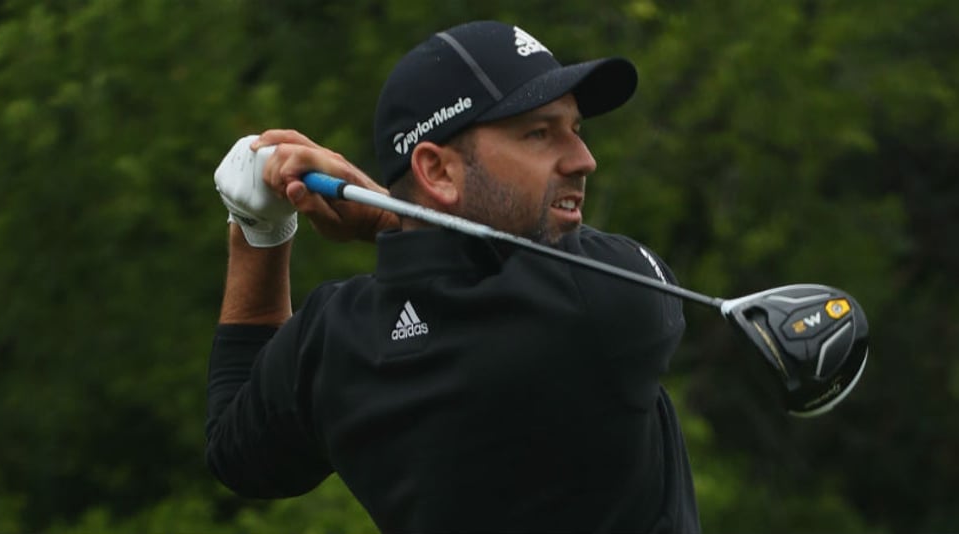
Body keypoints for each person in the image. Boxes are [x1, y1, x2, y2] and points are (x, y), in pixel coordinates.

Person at [206, 20, 701, 533]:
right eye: (539, 133)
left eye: (574, 130)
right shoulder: (599, 302)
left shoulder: (337, 340)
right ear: (437, 172)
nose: (583, 160)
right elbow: (630, 280)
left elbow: (236, 452)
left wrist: (258, 229)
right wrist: (390, 219)